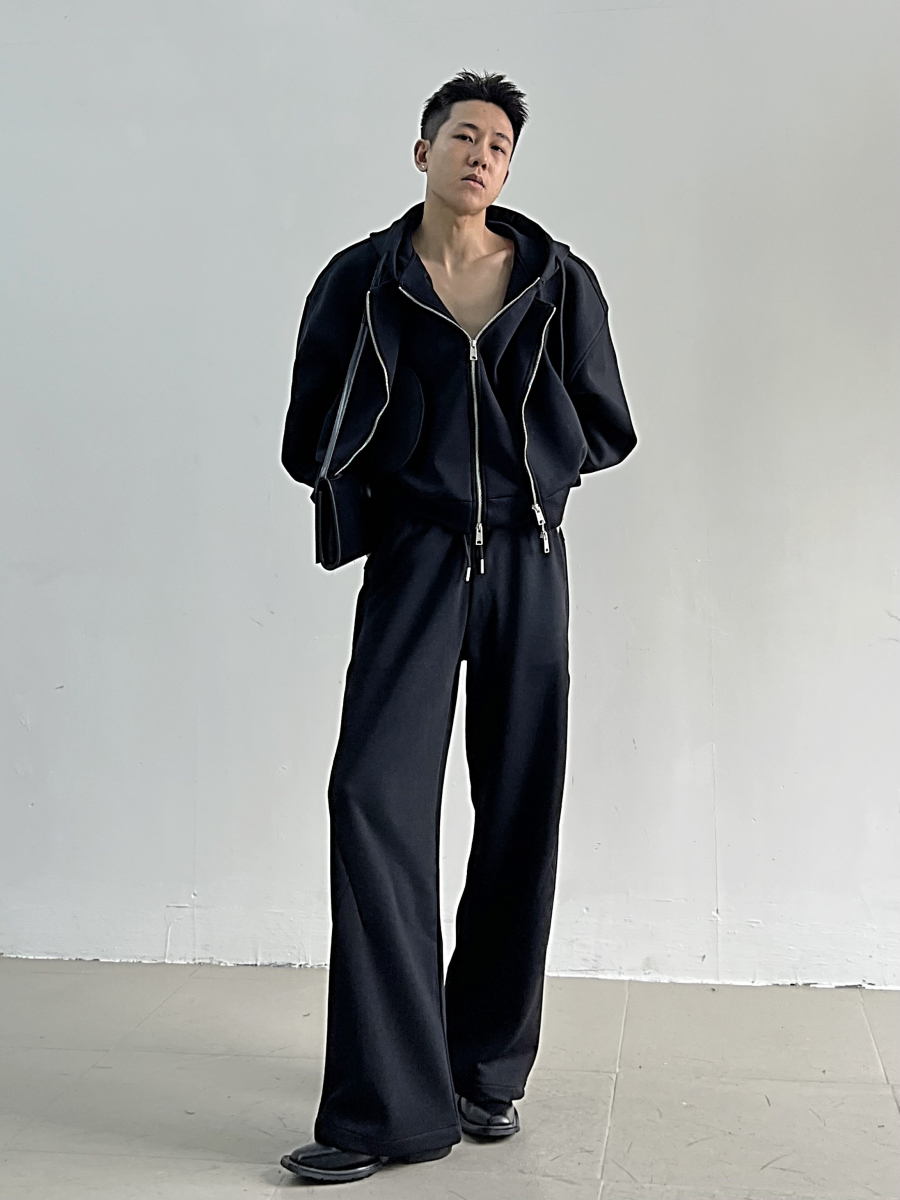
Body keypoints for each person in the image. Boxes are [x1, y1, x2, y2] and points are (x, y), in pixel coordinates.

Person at [278, 70, 636, 1184]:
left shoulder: (558, 281)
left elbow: (607, 424)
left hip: (529, 560)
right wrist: (399, 485)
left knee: (519, 805)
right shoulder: (363, 278)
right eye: (465, 136)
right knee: (371, 795)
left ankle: (484, 1068)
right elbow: (309, 429)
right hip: (418, 561)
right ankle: (385, 1106)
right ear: (422, 150)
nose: (483, 155)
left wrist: (533, 471)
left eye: (500, 146)